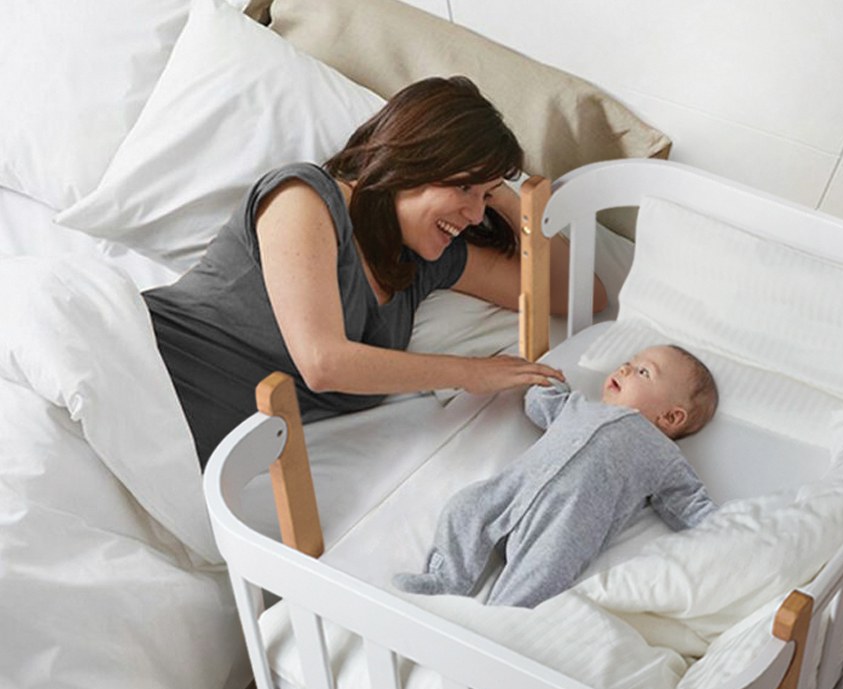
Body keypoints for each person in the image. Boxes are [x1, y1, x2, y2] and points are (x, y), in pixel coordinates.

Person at [144, 76, 601, 467]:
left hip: (189, 456)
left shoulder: (426, 261)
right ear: (414, 160)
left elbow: (580, 293)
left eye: (484, 197)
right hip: (147, 370)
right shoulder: (304, 198)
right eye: (463, 186)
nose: (476, 214)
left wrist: (509, 197)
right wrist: (469, 373)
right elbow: (323, 363)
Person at [393, 344, 719, 608]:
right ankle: (444, 581)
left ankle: (500, 623)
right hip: (512, 490)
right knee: (464, 508)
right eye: (629, 363)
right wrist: (549, 378)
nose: (624, 369)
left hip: (565, 524)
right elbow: (538, 402)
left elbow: (690, 503)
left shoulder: (660, 453)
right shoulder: (578, 406)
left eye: (643, 372)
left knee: (542, 572)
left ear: (670, 417)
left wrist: (727, 532)